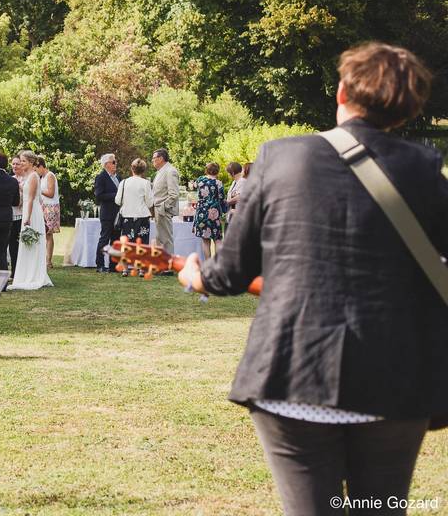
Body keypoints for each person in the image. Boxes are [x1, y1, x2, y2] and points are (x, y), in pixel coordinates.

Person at [176, 42, 448, 516]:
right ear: (405, 114)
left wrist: (195, 275)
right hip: (396, 381)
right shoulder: (426, 169)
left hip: (293, 377)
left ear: (342, 91)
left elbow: (229, 274)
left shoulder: (280, 158)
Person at [8, 151, 52, 290]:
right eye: (20, 161)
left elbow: (32, 198)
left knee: (31, 242)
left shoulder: (33, 176)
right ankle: (27, 273)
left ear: (31, 163)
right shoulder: (30, 177)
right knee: (27, 244)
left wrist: (27, 217)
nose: (21, 163)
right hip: (29, 210)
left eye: (23, 161)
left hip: (31, 212)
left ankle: (34, 275)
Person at [114, 158, 154, 248]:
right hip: (142, 218)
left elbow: (117, 201)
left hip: (127, 218)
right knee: (142, 247)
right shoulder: (146, 183)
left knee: (127, 246)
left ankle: (128, 262)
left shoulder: (123, 182)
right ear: (143, 171)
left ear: (132, 169)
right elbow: (150, 203)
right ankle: (140, 262)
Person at [151, 148, 180, 262]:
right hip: (158, 210)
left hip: (163, 210)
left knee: (166, 239)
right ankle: (162, 264)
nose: (152, 160)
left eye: (154, 158)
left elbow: (174, 194)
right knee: (160, 239)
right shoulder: (162, 171)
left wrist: (163, 208)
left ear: (161, 159)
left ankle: (168, 266)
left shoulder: (170, 171)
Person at [192, 162, 226, 257]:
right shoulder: (218, 183)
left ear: (206, 170)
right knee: (217, 239)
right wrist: (224, 211)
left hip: (202, 212)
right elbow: (222, 199)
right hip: (214, 213)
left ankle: (208, 265)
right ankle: (218, 265)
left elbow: (193, 186)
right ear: (217, 171)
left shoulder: (200, 180)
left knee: (205, 241)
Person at [93, 153, 120, 273]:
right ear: (106, 164)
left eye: (115, 161)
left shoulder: (118, 177)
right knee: (104, 239)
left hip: (118, 214)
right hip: (107, 213)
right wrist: (117, 195)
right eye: (113, 162)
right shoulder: (101, 177)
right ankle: (100, 264)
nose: (115, 164)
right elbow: (99, 195)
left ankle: (114, 265)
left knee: (116, 240)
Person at [35, 157, 61, 269]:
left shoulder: (50, 175)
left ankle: (48, 261)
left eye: (36, 169)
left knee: (48, 234)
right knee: (43, 233)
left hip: (51, 207)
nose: (36, 172)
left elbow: (51, 193)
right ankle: (43, 259)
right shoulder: (42, 178)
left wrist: (37, 189)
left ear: (41, 166)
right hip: (43, 206)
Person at [8, 155, 24, 279]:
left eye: (17, 164)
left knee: (19, 245)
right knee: (11, 245)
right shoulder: (10, 179)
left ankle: (20, 271)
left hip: (21, 215)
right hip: (9, 215)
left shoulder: (26, 180)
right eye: (13, 164)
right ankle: (13, 271)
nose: (14, 166)